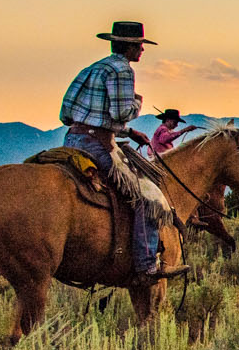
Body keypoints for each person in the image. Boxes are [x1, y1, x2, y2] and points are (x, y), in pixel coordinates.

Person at [59, 20, 184, 281]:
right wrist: (137, 103)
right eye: (139, 45)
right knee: (146, 197)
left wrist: (126, 132)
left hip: (73, 140)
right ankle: (147, 264)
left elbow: (67, 113)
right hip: (98, 145)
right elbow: (121, 112)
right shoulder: (122, 71)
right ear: (128, 47)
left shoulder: (92, 68)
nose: (142, 50)